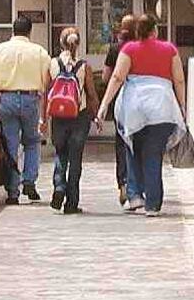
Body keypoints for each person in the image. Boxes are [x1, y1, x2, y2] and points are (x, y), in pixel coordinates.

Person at [96, 13, 185, 216]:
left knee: (132, 148)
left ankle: (135, 196)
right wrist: (182, 105)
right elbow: (179, 80)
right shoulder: (169, 49)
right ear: (155, 30)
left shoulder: (129, 49)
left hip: (134, 108)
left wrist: (104, 106)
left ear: (137, 32)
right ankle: (153, 204)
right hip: (162, 108)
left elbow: (117, 77)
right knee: (153, 155)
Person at [0, 15, 51, 205]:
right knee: (32, 141)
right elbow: (46, 83)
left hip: (6, 99)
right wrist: (44, 113)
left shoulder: (0, 50)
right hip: (30, 98)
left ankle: (12, 191)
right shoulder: (39, 51)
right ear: (30, 31)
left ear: (13, 30)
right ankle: (29, 180)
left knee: (10, 145)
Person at [46, 27, 99, 215]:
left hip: (59, 117)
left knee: (60, 153)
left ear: (61, 43)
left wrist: (44, 119)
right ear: (78, 44)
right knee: (75, 160)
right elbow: (91, 94)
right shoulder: (84, 66)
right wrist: (97, 115)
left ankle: (59, 186)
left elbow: (47, 93)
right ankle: (71, 203)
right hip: (79, 116)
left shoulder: (52, 64)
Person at [104, 13, 136, 205]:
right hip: (140, 99)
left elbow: (107, 78)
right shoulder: (141, 48)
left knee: (121, 142)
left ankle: (123, 183)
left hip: (120, 101)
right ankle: (135, 186)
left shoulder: (115, 49)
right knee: (138, 142)